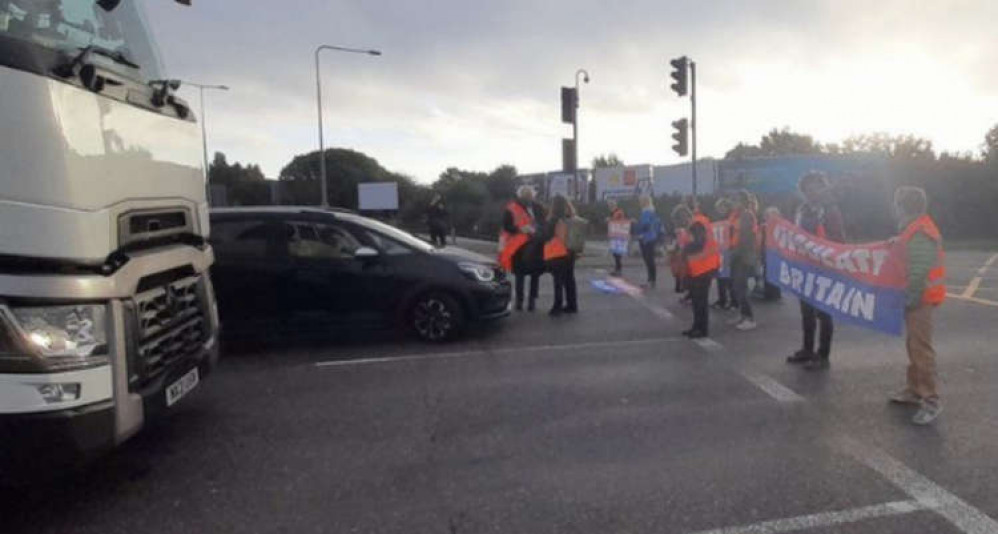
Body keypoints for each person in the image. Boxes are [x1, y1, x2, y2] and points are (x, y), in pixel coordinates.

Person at [889, 187, 945, 425]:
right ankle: (914, 390)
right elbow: (909, 252)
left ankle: (931, 400)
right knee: (914, 345)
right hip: (919, 297)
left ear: (903, 207)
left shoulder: (921, 231)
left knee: (921, 348)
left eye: (896, 204)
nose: (894, 209)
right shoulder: (914, 229)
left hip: (921, 298)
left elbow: (919, 269)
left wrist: (909, 299)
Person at [787, 171, 846, 370]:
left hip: (824, 267)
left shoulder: (830, 210)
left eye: (814, 187)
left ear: (823, 187)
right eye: (806, 189)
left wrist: (824, 254)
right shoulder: (802, 210)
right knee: (806, 310)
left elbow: (838, 240)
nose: (810, 192)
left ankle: (823, 355)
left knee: (823, 312)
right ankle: (807, 349)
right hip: (805, 266)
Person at [674, 205, 720, 338]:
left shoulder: (696, 224)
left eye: (680, 221)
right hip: (701, 266)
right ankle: (697, 326)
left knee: (700, 300)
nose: (682, 225)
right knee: (697, 299)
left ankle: (701, 329)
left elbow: (699, 243)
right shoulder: (698, 222)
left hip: (704, 267)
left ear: (684, 217)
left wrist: (684, 249)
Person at [500, 186, 546, 311]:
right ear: (520, 196)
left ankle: (532, 301)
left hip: (535, 244)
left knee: (535, 275)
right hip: (518, 247)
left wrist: (536, 230)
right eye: (525, 195)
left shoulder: (538, 208)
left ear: (533, 196)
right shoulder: (511, 208)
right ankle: (519, 301)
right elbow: (506, 226)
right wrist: (520, 229)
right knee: (520, 275)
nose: (528, 198)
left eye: (530, 195)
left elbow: (544, 223)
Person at [728, 190, 759, 331]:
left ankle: (749, 317)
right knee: (736, 286)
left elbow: (746, 237)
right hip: (736, 254)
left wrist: (737, 253)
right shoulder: (736, 216)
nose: (733, 203)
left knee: (741, 287)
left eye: (736, 200)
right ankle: (743, 314)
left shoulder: (746, 215)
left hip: (743, 255)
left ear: (743, 202)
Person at [543, 195, 579, 315]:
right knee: (569, 279)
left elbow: (547, 236)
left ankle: (557, 307)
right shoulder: (570, 218)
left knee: (558, 281)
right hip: (570, 252)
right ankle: (572, 305)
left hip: (557, 253)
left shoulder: (553, 219)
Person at [633, 195, 662, 289]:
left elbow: (645, 224)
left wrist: (636, 224)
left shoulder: (646, 212)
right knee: (650, 260)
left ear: (644, 202)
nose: (639, 203)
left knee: (648, 259)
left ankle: (651, 280)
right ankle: (651, 280)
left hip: (646, 238)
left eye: (640, 201)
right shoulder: (652, 211)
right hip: (652, 237)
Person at [711, 197, 734, 310]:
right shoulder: (717, 220)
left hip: (728, 251)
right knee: (720, 277)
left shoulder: (731, 220)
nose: (720, 210)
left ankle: (733, 301)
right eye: (718, 208)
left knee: (728, 277)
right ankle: (722, 300)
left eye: (722, 207)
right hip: (719, 251)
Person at [759, 206, 783, 301]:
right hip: (767, 252)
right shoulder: (764, 226)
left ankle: (774, 293)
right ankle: (770, 293)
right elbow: (760, 240)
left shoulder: (779, 226)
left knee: (773, 273)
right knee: (768, 273)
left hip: (774, 253)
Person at [606, 199, 629, 276]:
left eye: (610, 205)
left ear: (614, 205)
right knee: (615, 253)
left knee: (617, 254)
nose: (609, 207)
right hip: (615, 235)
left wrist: (610, 220)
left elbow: (619, 222)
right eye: (609, 206)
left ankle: (618, 270)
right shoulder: (614, 212)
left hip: (618, 235)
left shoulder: (618, 212)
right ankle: (617, 269)